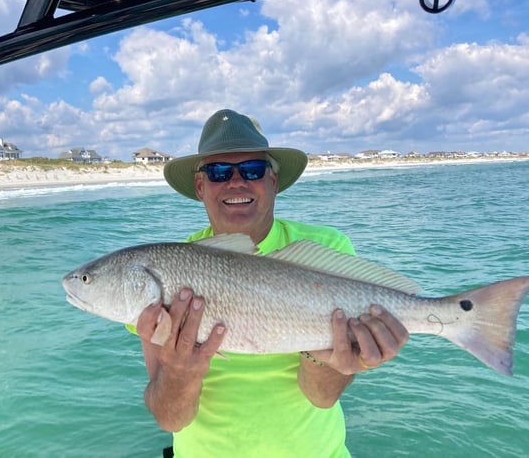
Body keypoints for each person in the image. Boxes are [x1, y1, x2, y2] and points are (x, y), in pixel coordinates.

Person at [135, 109, 409, 457]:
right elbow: (171, 419)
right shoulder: (169, 273)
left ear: (273, 182)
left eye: (253, 170)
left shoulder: (326, 250)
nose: (236, 182)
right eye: (219, 172)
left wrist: (335, 359)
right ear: (201, 186)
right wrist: (178, 373)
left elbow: (321, 397)